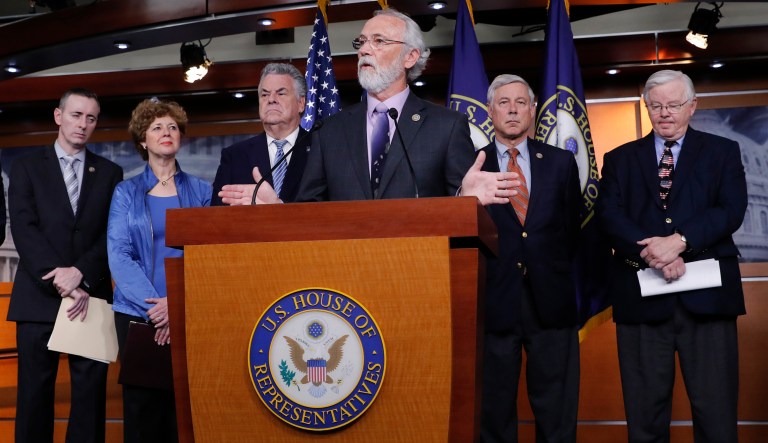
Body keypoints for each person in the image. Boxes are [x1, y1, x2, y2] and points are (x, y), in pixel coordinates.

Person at [218, 8, 516, 206]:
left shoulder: (446, 126)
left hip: (421, 276)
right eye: (362, 41)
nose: (363, 49)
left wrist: (466, 199)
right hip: (346, 286)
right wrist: (279, 210)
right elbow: (311, 211)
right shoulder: (330, 130)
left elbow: (461, 212)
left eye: (379, 41)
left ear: (410, 57)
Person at [598, 69, 747, 443]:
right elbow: (609, 215)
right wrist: (656, 254)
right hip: (641, 302)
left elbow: (731, 210)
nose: (665, 113)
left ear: (692, 106)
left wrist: (679, 241)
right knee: (645, 419)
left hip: (709, 302)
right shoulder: (619, 159)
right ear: (647, 107)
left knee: (716, 416)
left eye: (674, 104)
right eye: (656, 105)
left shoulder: (722, 152)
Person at [7, 88, 123, 443]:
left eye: (91, 118)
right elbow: (24, 228)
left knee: (90, 398)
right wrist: (61, 278)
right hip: (38, 297)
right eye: (76, 115)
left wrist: (81, 276)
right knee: (33, 396)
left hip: (91, 298)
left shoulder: (110, 172)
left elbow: (111, 233)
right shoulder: (26, 167)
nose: (83, 124)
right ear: (59, 116)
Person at [478, 75, 582, 443]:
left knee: (556, 409)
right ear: (490, 110)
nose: (512, 109)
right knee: (492, 410)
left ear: (533, 110)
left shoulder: (560, 162)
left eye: (521, 102)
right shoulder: (471, 164)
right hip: (492, 302)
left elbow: (572, 231)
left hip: (550, 302)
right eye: (503, 102)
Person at [107, 98, 211, 443]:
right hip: (138, 315)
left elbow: (208, 254)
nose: (167, 133)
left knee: (186, 409)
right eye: (157, 128)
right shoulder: (125, 192)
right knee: (142, 412)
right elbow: (119, 254)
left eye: (173, 127)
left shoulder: (202, 191)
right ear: (142, 140)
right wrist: (158, 308)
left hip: (190, 313)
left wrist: (177, 304)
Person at [211, 63, 309, 205]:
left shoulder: (321, 150)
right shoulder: (235, 156)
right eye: (265, 94)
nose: (271, 99)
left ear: (301, 103)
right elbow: (216, 217)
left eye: (281, 93)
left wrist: (277, 207)